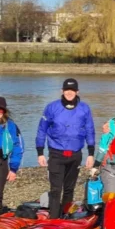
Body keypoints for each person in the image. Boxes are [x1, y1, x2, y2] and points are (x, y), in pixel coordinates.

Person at [36, 78, 95, 218]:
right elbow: (41, 130)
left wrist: (91, 153)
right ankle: (54, 219)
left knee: (69, 189)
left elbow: (90, 130)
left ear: (77, 92)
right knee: (56, 190)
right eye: (67, 90)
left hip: (75, 155)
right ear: (62, 91)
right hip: (56, 154)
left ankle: (66, 217)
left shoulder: (84, 108)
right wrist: (40, 152)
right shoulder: (52, 107)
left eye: (72, 90)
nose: (69, 93)